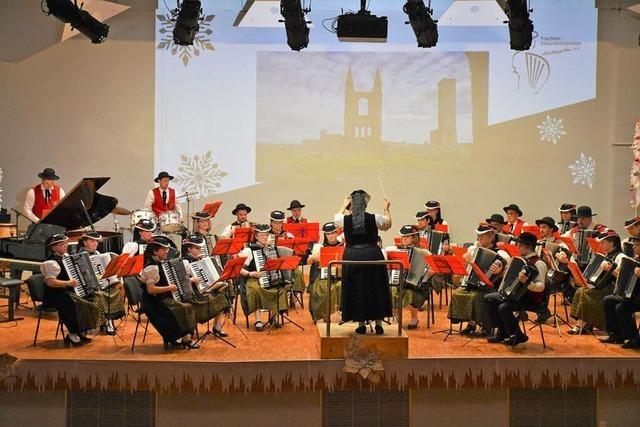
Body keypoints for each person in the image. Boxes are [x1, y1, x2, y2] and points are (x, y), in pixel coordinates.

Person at [334, 190, 392, 335]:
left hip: (353, 256)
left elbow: (336, 220)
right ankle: (379, 323)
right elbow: (388, 224)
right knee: (375, 287)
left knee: (357, 288)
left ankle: (360, 324)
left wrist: (343, 205)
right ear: (365, 205)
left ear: (351, 205)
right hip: (373, 255)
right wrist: (387, 208)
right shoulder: (375, 218)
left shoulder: (344, 219)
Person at [484, 232, 548, 346]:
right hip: (517, 295)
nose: (517, 247)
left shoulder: (539, 263)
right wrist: (501, 272)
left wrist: (527, 283)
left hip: (531, 299)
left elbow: (541, 287)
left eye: (520, 245)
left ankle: (517, 336)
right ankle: (503, 332)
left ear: (528, 246)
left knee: (504, 307)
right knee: (489, 299)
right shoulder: (519, 260)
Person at [40, 233, 104, 347]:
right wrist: (68, 283)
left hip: (68, 291)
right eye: (61, 244)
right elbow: (50, 282)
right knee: (73, 303)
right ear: (54, 247)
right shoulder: (50, 263)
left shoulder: (66, 257)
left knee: (92, 298)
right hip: (55, 294)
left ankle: (81, 331)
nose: (65, 246)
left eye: (66, 244)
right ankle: (72, 333)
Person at [448, 224, 510, 337]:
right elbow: (465, 265)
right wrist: (464, 259)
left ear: (491, 237)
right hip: (471, 282)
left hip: (490, 286)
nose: (479, 238)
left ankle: (486, 326)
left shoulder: (500, 253)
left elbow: (508, 270)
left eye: (483, 236)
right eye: (478, 236)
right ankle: (470, 323)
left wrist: (500, 270)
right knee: (457, 293)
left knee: (475, 297)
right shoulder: (473, 249)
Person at [138, 236, 198, 349]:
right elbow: (151, 290)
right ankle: (184, 339)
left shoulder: (159, 263)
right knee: (183, 308)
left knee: (187, 305)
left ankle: (182, 337)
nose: (167, 251)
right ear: (155, 251)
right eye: (164, 249)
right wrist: (169, 288)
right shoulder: (151, 267)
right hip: (153, 303)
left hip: (161, 298)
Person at [568, 230, 625, 335]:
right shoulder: (607, 255)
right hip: (603, 286)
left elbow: (624, 278)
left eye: (603, 243)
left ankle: (583, 324)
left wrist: (611, 270)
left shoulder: (621, 257)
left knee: (584, 292)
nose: (601, 245)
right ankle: (583, 323)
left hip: (612, 289)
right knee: (581, 290)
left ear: (612, 243)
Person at [238, 224, 291, 331]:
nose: (264, 237)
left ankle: (272, 317)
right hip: (254, 278)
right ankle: (258, 320)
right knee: (255, 289)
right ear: (256, 236)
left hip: (272, 277)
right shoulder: (249, 250)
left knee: (281, 290)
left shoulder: (273, 249)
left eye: (266, 235)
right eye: (261, 235)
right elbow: (237, 268)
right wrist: (251, 274)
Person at [77, 231, 125, 335]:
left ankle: (109, 320)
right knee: (101, 295)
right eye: (92, 241)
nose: (95, 243)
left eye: (96, 242)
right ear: (85, 243)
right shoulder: (79, 255)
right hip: (87, 287)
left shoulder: (98, 254)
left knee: (114, 290)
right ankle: (106, 322)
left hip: (100, 283)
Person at [182, 235, 229, 337]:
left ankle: (217, 326)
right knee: (218, 298)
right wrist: (191, 280)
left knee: (222, 293)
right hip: (193, 293)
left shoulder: (200, 259)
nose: (200, 250)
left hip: (203, 290)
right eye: (197, 248)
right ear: (189, 249)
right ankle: (191, 329)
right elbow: (181, 281)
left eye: (200, 248)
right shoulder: (185, 261)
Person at [385, 225, 430, 329]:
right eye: (403, 236)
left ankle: (414, 317)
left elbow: (429, 266)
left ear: (413, 238)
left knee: (409, 293)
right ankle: (397, 318)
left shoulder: (423, 252)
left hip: (415, 286)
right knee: (392, 289)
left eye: (407, 236)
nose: (404, 239)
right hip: (399, 281)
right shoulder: (396, 251)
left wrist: (427, 272)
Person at [601, 237, 640, 348]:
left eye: (637, 245)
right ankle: (616, 335)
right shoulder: (635, 259)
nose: (633, 247)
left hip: (638, 298)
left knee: (621, 307)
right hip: (631, 295)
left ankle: (633, 339)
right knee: (608, 300)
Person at [307, 222, 344, 322]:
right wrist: (317, 257)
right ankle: (324, 315)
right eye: (328, 234)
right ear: (325, 235)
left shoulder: (343, 246)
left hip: (341, 275)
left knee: (342, 285)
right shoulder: (319, 247)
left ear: (336, 233)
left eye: (332, 233)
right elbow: (308, 261)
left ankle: (342, 313)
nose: (331, 236)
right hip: (324, 276)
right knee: (321, 287)